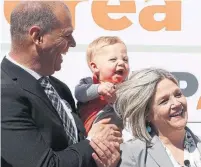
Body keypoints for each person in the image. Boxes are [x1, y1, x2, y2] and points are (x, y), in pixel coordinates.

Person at [1, 1, 122, 167]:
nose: (72, 43)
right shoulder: (5, 94)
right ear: (37, 37)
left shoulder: (60, 88)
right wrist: (94, 142)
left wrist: (107, 157)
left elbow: (76, 148)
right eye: (66, 35)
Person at [115, 68, 201, 167]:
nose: (177, 103)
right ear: (146, 114)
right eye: (164, 101)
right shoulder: (132, 154)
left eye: (178, 95)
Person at [74, 36, 130, 134]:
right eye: (113, 59)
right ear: (95, 67)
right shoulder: (89, 82)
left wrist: (115, 101)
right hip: (89, 136)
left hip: (116, 136)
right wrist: (99, 89)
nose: (121, 62)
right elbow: (79, 94)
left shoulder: (127, 88)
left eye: (125, 60)